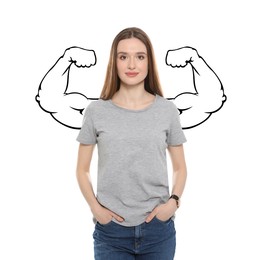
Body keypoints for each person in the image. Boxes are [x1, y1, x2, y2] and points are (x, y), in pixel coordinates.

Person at [76, 27, 187, 260]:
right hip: (111, 233)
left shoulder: (167, 111)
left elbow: (180, 167)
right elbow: (81, 169)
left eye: (140, 56)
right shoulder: (96, 111)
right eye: (123, 56)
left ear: (149, 62)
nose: (131, 65)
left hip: (158, 231)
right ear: (114, 62)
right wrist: (96, 210)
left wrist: (173, 203)